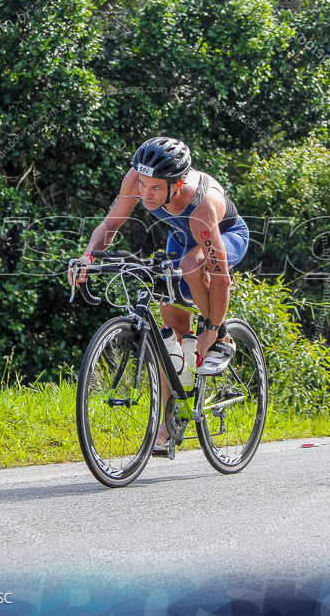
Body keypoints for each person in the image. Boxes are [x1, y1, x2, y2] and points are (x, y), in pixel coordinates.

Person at [67, 137, 249, 453]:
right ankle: (170, 418)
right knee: (172, 331)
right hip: (181, 238)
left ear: (176, 184)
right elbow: (111, 224)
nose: (146, 194)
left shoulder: (202, 205)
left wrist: (212, 326)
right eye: (143, 185)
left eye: (155, 188)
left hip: (226, 236)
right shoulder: (136, 178)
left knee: (193, 264)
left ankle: (221, 338)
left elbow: (221, 278)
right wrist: (88, 257)